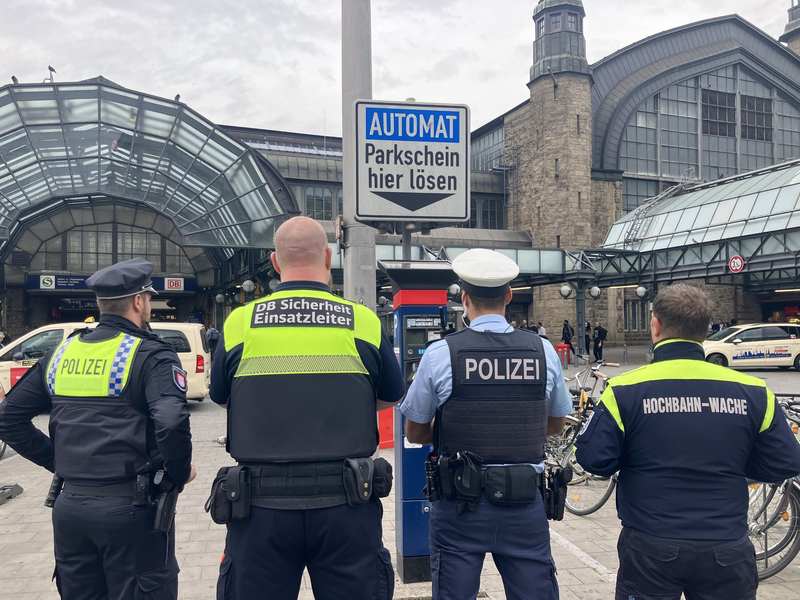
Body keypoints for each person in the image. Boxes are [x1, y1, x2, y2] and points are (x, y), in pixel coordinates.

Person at [210, 216, 405, 599]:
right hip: (346, 504)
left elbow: (221, 396)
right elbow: (391, 394)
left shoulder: (239, 323)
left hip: (259, 508)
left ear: (275, 262)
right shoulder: (362, 322)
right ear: (328, 257)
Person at [574, 284, 800, 600]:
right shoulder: (754, 391)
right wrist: (734, 462)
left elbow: (593, 459)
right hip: (726, 547)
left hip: (651, 545)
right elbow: (786, 462)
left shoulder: (624, 389)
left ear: (655, 325)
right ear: (706, 331)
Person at [0, 258, 195, 600]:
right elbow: (170, 420)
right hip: (131, 513)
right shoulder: (149, 355)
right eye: (148, 298)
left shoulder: (61, 353)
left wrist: (59, 462)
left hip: (70, 508)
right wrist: (177, 473)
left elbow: (7, 419)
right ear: (139, 301)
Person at [400, 248, 572, 600]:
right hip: (524, 503)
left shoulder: (441, 353)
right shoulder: (542, 351)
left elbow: (414, 432)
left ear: (463, 297)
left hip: (460, 505)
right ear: (508, 296)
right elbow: (554, 424)